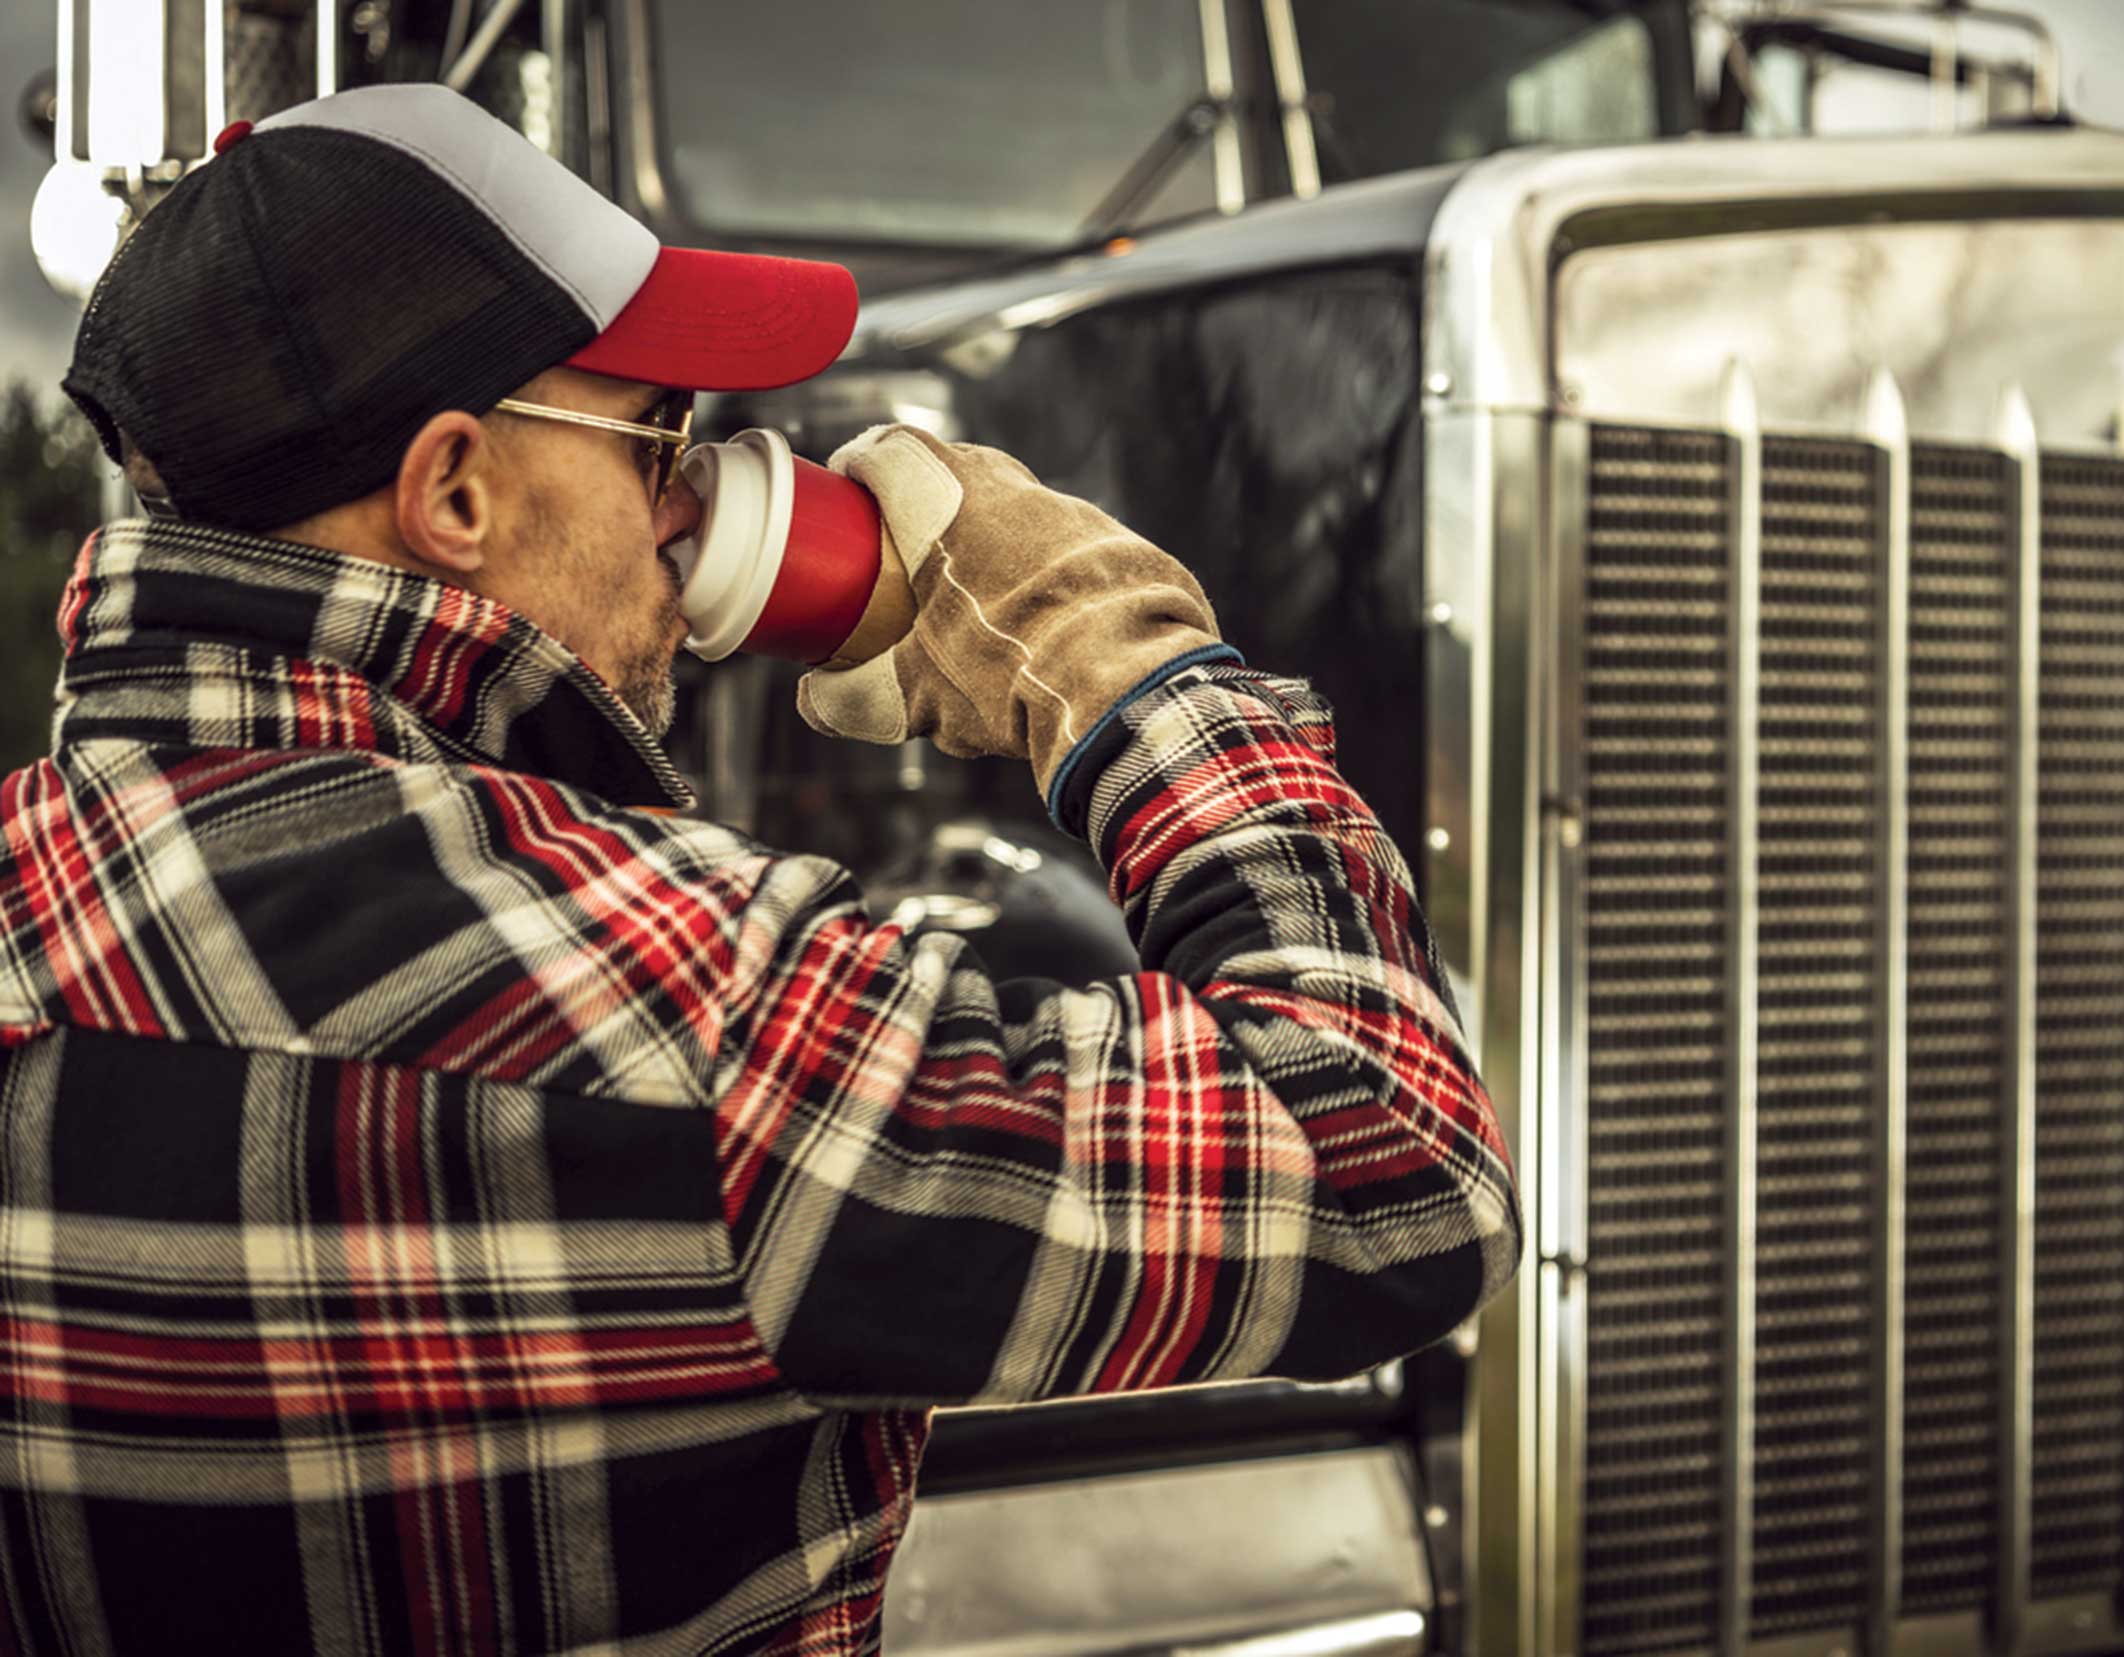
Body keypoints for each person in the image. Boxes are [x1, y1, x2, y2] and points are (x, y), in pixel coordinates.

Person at [0, 84, 1519, 1653]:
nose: (690, 501)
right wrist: (1123, 677)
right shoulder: (687, 1017)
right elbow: (1395, 1165)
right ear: (456, 491)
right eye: (657, 437)